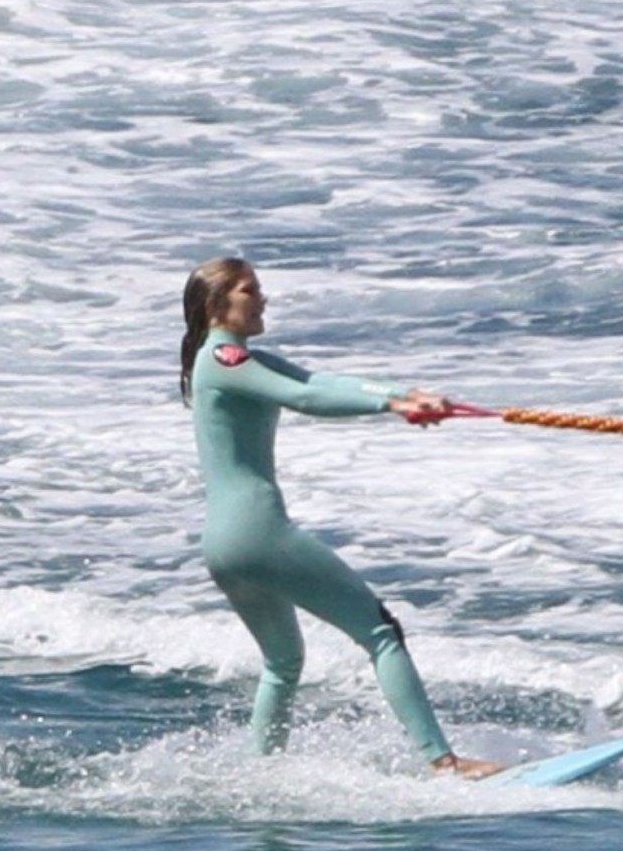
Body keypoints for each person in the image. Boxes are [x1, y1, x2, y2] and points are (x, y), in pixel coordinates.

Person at [181, 256, 504, 777]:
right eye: (249, 290)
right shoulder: (222, 358)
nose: (262, 299)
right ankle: (445, 764)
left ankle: (262, 775)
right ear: (217, 305)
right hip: (257, 533)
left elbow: (322, 378)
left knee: (282, 663)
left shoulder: (230, 358)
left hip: (222, 545)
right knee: (381, 634)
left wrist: (405, 395)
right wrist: (391, 409)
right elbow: (306, 397)